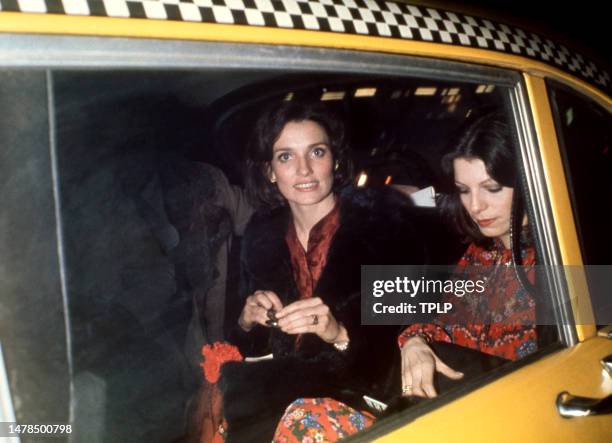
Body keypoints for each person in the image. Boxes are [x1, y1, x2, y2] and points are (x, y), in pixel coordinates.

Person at [215, 100, 425, 442]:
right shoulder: (258, 237)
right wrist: (247, 321)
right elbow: (248, 349)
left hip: (358, 408)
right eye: (285, 157)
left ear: (335, 159)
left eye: (316, 152)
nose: (304, 170)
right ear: (269, 171)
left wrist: (339, 333)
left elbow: (410, 345)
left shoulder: (385, 227)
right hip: (273, 401)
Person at [398, 112, 537, 399]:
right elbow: (446, 323)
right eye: (463, 190)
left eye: (492, 188)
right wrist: (415, 341)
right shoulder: (481, 254)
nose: (475, 206)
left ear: (528, 182)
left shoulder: (563, 253)